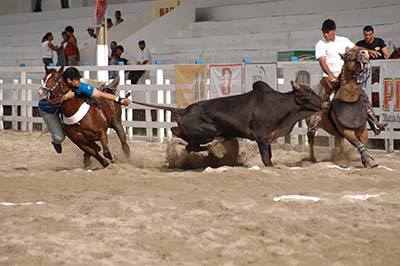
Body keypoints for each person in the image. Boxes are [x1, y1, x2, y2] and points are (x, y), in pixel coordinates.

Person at [314, 19, 386, 135]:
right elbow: (322, 62)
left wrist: (368, 50)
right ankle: (316, 122)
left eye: (327, 32)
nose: (325, 34)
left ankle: (375, 123)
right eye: (324, 32)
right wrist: (330, 75)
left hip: (345, 78)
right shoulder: (320, 44)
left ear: (334, 31)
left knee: (363, 96)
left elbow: (356, 48)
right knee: (328, 98)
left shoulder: (343, 40)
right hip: (329, 77)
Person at [39, 67, 132, 153]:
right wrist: (65, 97)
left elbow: (100, 95)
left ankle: (105, 86)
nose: (79, 81)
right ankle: (56, 141)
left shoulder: (79, 86)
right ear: (69, 80)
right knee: (59, 137)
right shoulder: (53, 89)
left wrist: (119, 100)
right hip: (48, 110)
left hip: (64, 105)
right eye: (77, 79)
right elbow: (49, 103)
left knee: (86, 89)